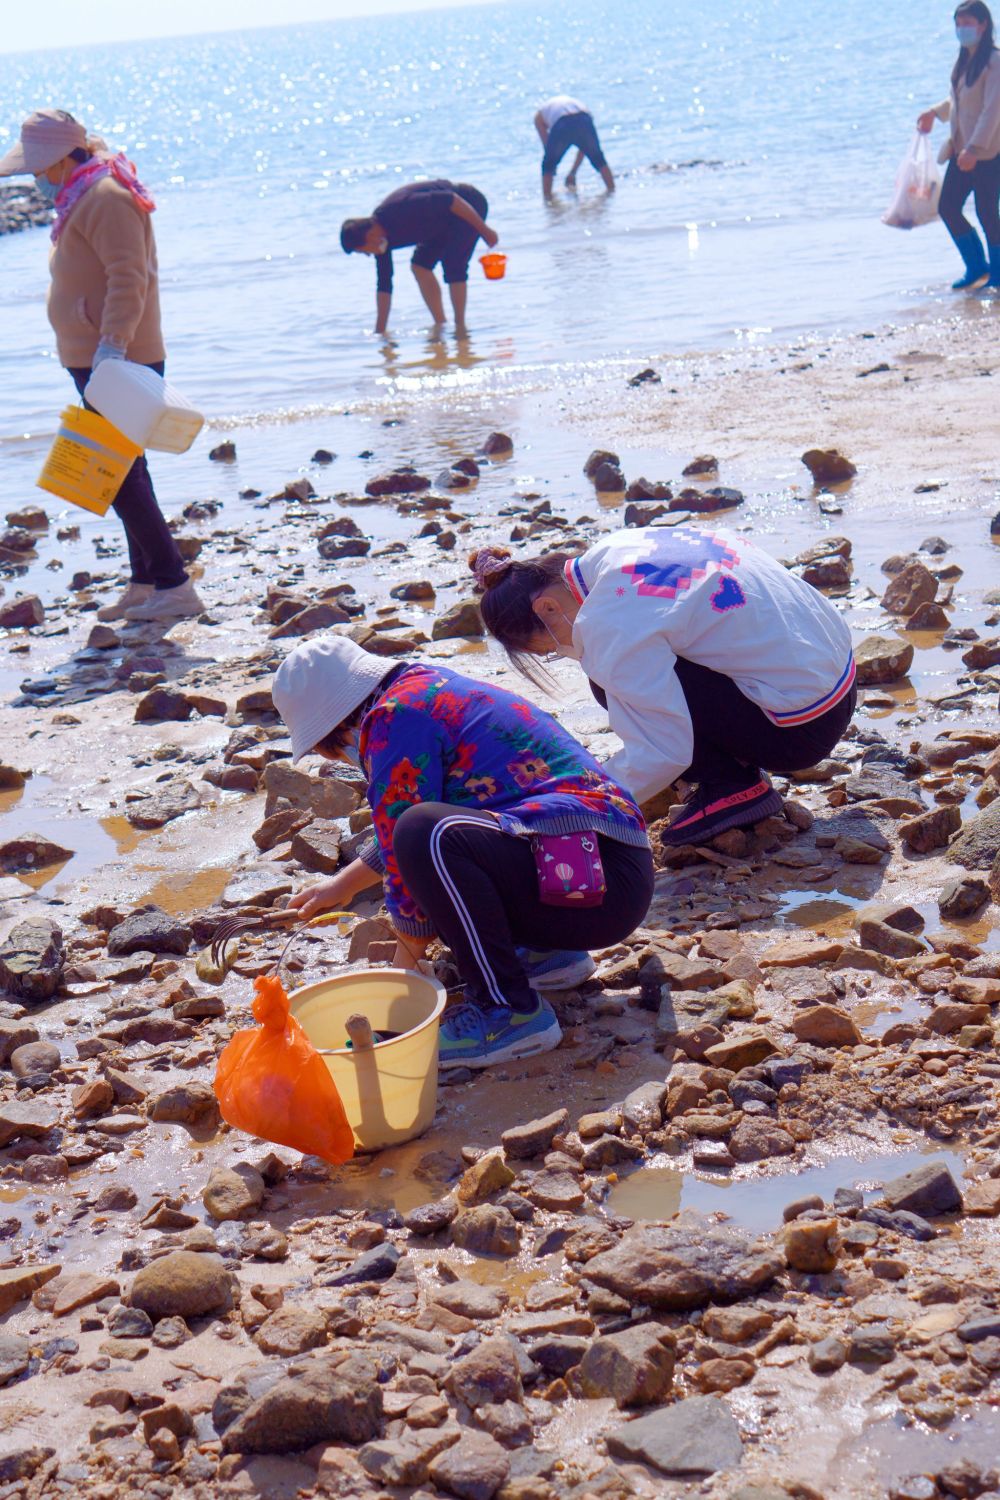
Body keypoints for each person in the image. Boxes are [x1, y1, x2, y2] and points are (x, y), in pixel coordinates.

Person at [271, 637, 653, 1070]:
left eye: (332, 746)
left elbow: (411, 839)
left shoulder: (393, 719)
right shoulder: (425, 690)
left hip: (597, 882)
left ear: (338, 726)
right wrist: (339, 887)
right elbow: (410, 829)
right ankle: (546, 956)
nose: (342, 755)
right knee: (433, 835)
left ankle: (507, 1012)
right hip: (600, 874)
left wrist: (404, 982)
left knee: (425, 834)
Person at [470, 526, 857, 848]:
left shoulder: (605, 621)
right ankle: (731, 771)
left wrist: (575, 804)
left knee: (606, 683)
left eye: (551, 650)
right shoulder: (619, 548)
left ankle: (731, 785)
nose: (564, 652)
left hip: (802, 729)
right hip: (839, 679)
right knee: (642, 663)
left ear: (547, 609)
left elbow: (662, 750)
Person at [0, 109, 202, 623]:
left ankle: (174, 584)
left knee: (114, 472)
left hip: (117, 357)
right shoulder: (83, 193)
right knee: (123, 466)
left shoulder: (106, 198)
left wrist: (112, 344)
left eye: (40, 168)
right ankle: (146, 581)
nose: (38, 179)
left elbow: (129, 276)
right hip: (96, 356)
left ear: (63, 158)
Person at [340, 180, 498, 337]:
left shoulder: (398, 209)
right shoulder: (382, 241)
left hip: (467, 204)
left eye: (363, 251)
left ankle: (460, 328)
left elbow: (452, 199)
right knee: (420, 266)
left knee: (454, 266)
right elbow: (384, 285)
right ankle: (441, 323)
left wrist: (484, 230)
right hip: (440, 224)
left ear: (370, 236)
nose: (368, 255)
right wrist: (380, 331)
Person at [918, 3, 1000, 290]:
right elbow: (960, 101)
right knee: (948, 206)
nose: (961, 29)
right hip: (962, 150)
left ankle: (998, 273)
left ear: (983, 25)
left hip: (988, 152)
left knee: (987, 212)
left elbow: (992, 110)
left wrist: (975, 149)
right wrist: (934, 113)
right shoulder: (966, 59)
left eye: (967, 23)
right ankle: (977, 267)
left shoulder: (994, 60)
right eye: (957, 23)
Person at [534, 96, 614, 201]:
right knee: (599, 159)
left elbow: (547, 147)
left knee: (548, 165)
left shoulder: (538, 117)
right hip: (584, 118)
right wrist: (573, 172)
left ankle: (548, 200)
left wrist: (553, 164)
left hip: (562, 122)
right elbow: (584, 149)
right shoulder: (572, 104)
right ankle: (612, 191)